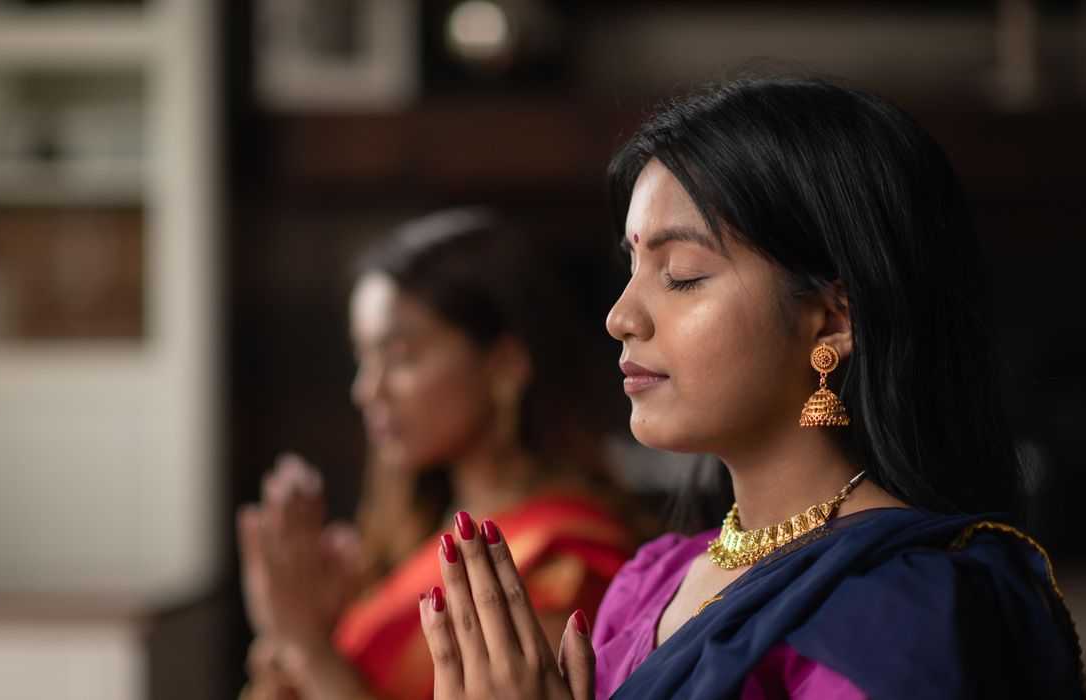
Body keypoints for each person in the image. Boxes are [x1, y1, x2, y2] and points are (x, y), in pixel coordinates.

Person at [414, 76, 1085, 699]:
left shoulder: (905, 607)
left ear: (830, 317)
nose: (621, 316)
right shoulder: (648, 582)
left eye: (679, 273)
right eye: (631, 265)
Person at [236, 209, 637, 700]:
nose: (367, 390)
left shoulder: (567, 562)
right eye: (363, 357)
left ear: (505, 363)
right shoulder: (407, 538)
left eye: (400, 357)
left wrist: (310, 649)